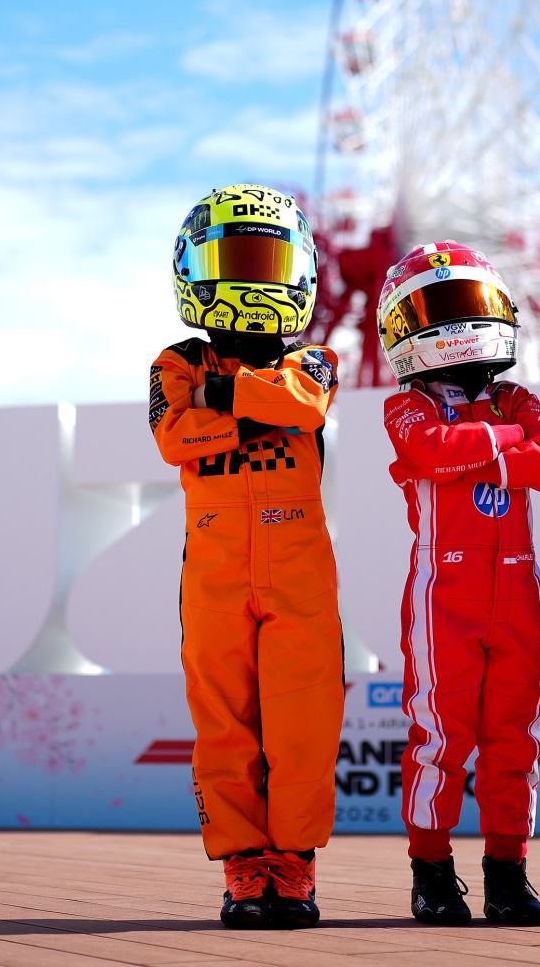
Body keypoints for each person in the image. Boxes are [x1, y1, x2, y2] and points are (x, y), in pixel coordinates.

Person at [149, 184, 342, 930]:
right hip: (214, 576)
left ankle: (293, 869)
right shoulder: (174, 359)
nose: (258, 275)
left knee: (303, 729)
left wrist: (220, 396)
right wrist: (252, 402)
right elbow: (177, 438)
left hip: (300, 575)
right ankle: (242, 869)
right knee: (224, 727)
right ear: (196, 266)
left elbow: (305, 407)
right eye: (239, 259)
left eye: (271, 259)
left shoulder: (316, 360)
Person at [375, 243, 540, 926]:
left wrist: (478, 453)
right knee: (439, 738)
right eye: (438, 309)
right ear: (401, 330)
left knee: (517, 738)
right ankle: (431, 874)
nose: (458, 324)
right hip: (441, 595)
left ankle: (506, 876)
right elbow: (429, 450)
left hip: (518, 590)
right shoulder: (407, 404)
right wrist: (505, 442)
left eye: (471, 304)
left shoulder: (514, 394)